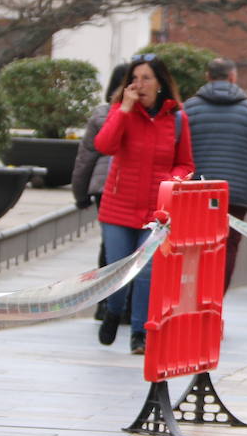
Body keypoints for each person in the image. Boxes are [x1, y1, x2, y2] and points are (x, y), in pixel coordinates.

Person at [92, 55, 194, 355]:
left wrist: (173, 181)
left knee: (146, 274)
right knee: (118, 271)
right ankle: (112, 311)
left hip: (156, 211)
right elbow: (104, 146)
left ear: (160, 83)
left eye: (147, 78)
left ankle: (140, 332)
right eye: (135, 78)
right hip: (118, 207)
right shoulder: (119, 112)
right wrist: (123, 109)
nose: (140, 84)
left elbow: (185, 163)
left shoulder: (177, 119)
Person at [182, 58, 247, 292]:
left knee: (197, 243)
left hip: (197, 191)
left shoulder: (189, 108)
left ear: (207, 77)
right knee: (228, 245)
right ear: (233, 77)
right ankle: (216, 297)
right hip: (236, 192)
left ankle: (196, 296)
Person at [72, 63, 128, 322]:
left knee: (109, 245)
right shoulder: (143, 117)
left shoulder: (101, 114)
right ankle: (122, 306)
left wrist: (80, 193)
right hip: (120, 187)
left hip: (102, 187)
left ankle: (103, 304)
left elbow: (85, 158)